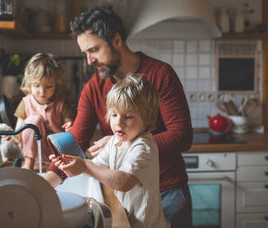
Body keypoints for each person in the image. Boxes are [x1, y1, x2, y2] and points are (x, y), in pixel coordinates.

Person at [44, 8, 193, 227]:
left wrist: (122, 144)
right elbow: (75, 142)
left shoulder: (160, 74)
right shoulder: (94, 87)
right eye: (85, 52)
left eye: (94, 50)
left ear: (116, 40)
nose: (89, 61)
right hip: (124, 198)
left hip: (167, 193)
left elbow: (181, 136)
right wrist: (46, 182)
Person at [52, 74, 170, 228]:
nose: (118, 122)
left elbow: (124, 181)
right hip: (129, 220)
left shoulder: (143, 147)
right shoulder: (115, 141)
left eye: (127, 116)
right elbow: (97, 167)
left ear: (146, 118)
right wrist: (73, 166)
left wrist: (85, 166)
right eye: (114, 115)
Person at [12, 53, 74, 170]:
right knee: (33, 121)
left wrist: (70, 127)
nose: (42, 91)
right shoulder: (26, 103)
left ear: (56, 84)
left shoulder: (61, 103)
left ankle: (55, 165)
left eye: (48, 86)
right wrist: (12, 135)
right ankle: (29, 163)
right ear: (30, 84)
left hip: (55, 148)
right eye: (37, 86)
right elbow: (18, 131)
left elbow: (69, 126)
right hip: (32, 148)